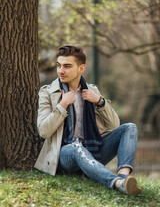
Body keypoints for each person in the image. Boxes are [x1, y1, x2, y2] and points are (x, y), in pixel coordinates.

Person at [35, 44, 142, 195]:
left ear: (81, 69)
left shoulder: (92, 91)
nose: (61, 71)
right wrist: (63, 104)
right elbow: (44, 131)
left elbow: (114, 124)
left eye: (67, 66)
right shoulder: (47, 93)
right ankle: (117, 183)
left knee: (130, 127)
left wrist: (100, 101)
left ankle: (124, 177)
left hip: (93, 151)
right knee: (76, 147)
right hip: (65, 155)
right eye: (59, 65)